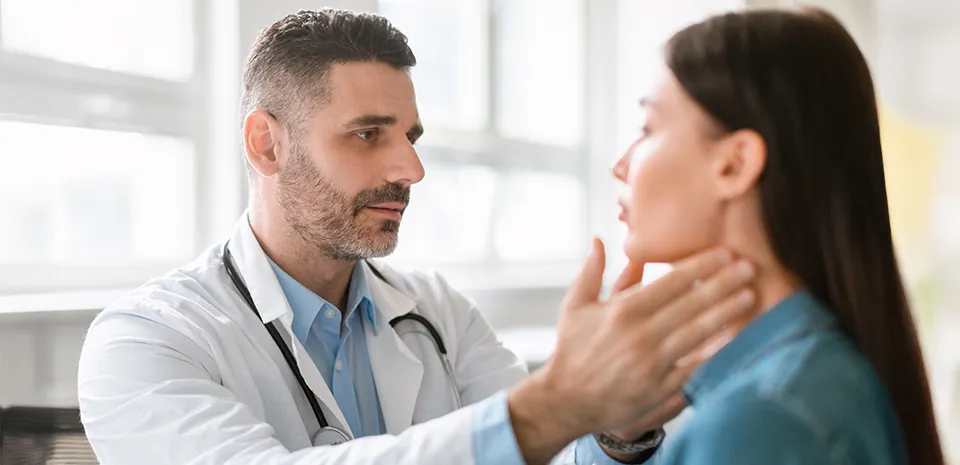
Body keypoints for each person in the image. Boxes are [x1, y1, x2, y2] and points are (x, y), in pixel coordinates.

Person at [77, 9, 759, 465]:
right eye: (368, 134)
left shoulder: (437, 312)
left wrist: (618, 428)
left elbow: (545, 454)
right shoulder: (144, 343)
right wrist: (553, 402)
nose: (411, 168)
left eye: (410, 137)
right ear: (266, 144)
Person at [611, 7, 945, 465]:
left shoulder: (757, 421)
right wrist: (620, 432)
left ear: (735, 164)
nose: (621, 165)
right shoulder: (818, 373)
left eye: (647, 129)